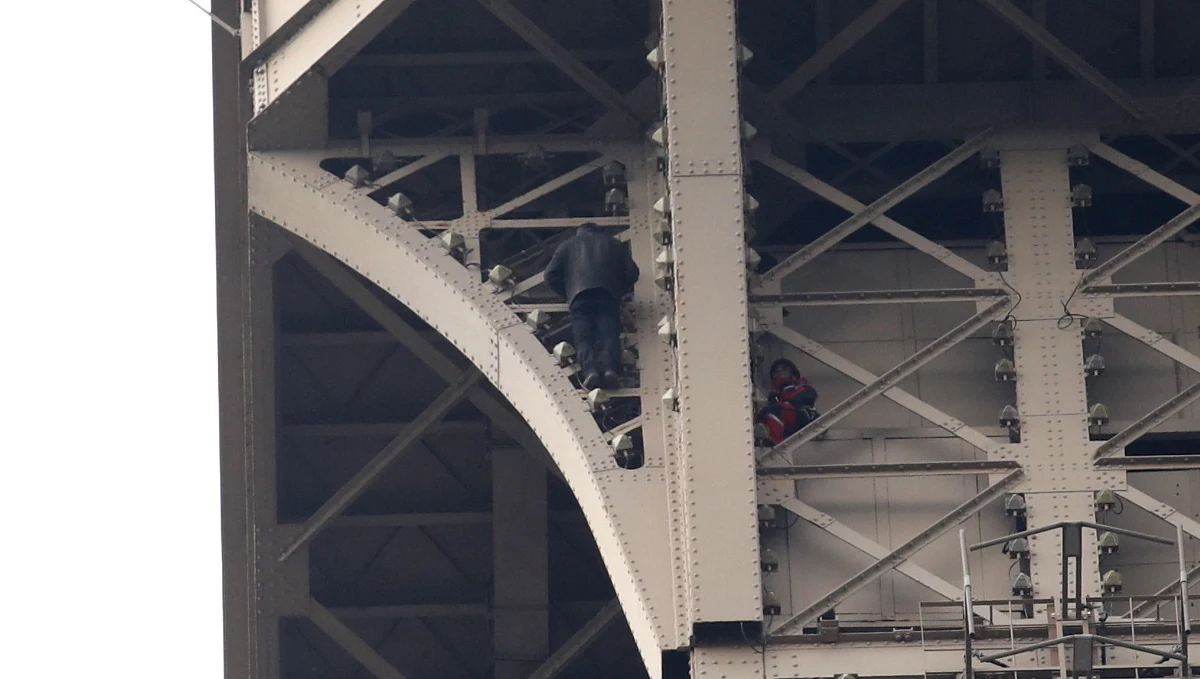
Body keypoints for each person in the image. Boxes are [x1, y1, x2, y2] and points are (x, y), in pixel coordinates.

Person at [545, 223, 640, 390]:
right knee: (610, 334)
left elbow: (550, 275)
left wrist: (567, 293)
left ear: (579, 231)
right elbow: (632, 272)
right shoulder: (614, 244)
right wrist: (619, 289)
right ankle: (610, 369)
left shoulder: (567, 245)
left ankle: (590, 371)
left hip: (579, 298)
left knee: (583, 338)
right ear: (599, 230)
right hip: (607, 296)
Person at [757, 358, 819, 445]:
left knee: (775, 410)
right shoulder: (779, 396)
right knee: (766, 413)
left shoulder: (802, 388)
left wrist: (783, 402)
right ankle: (760, 437)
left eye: (783, 371)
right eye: (776, 373)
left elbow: (808, 397)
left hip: (804, 416)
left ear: (793, 375)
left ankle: (775, 442)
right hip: (789, 421)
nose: (779, 375)